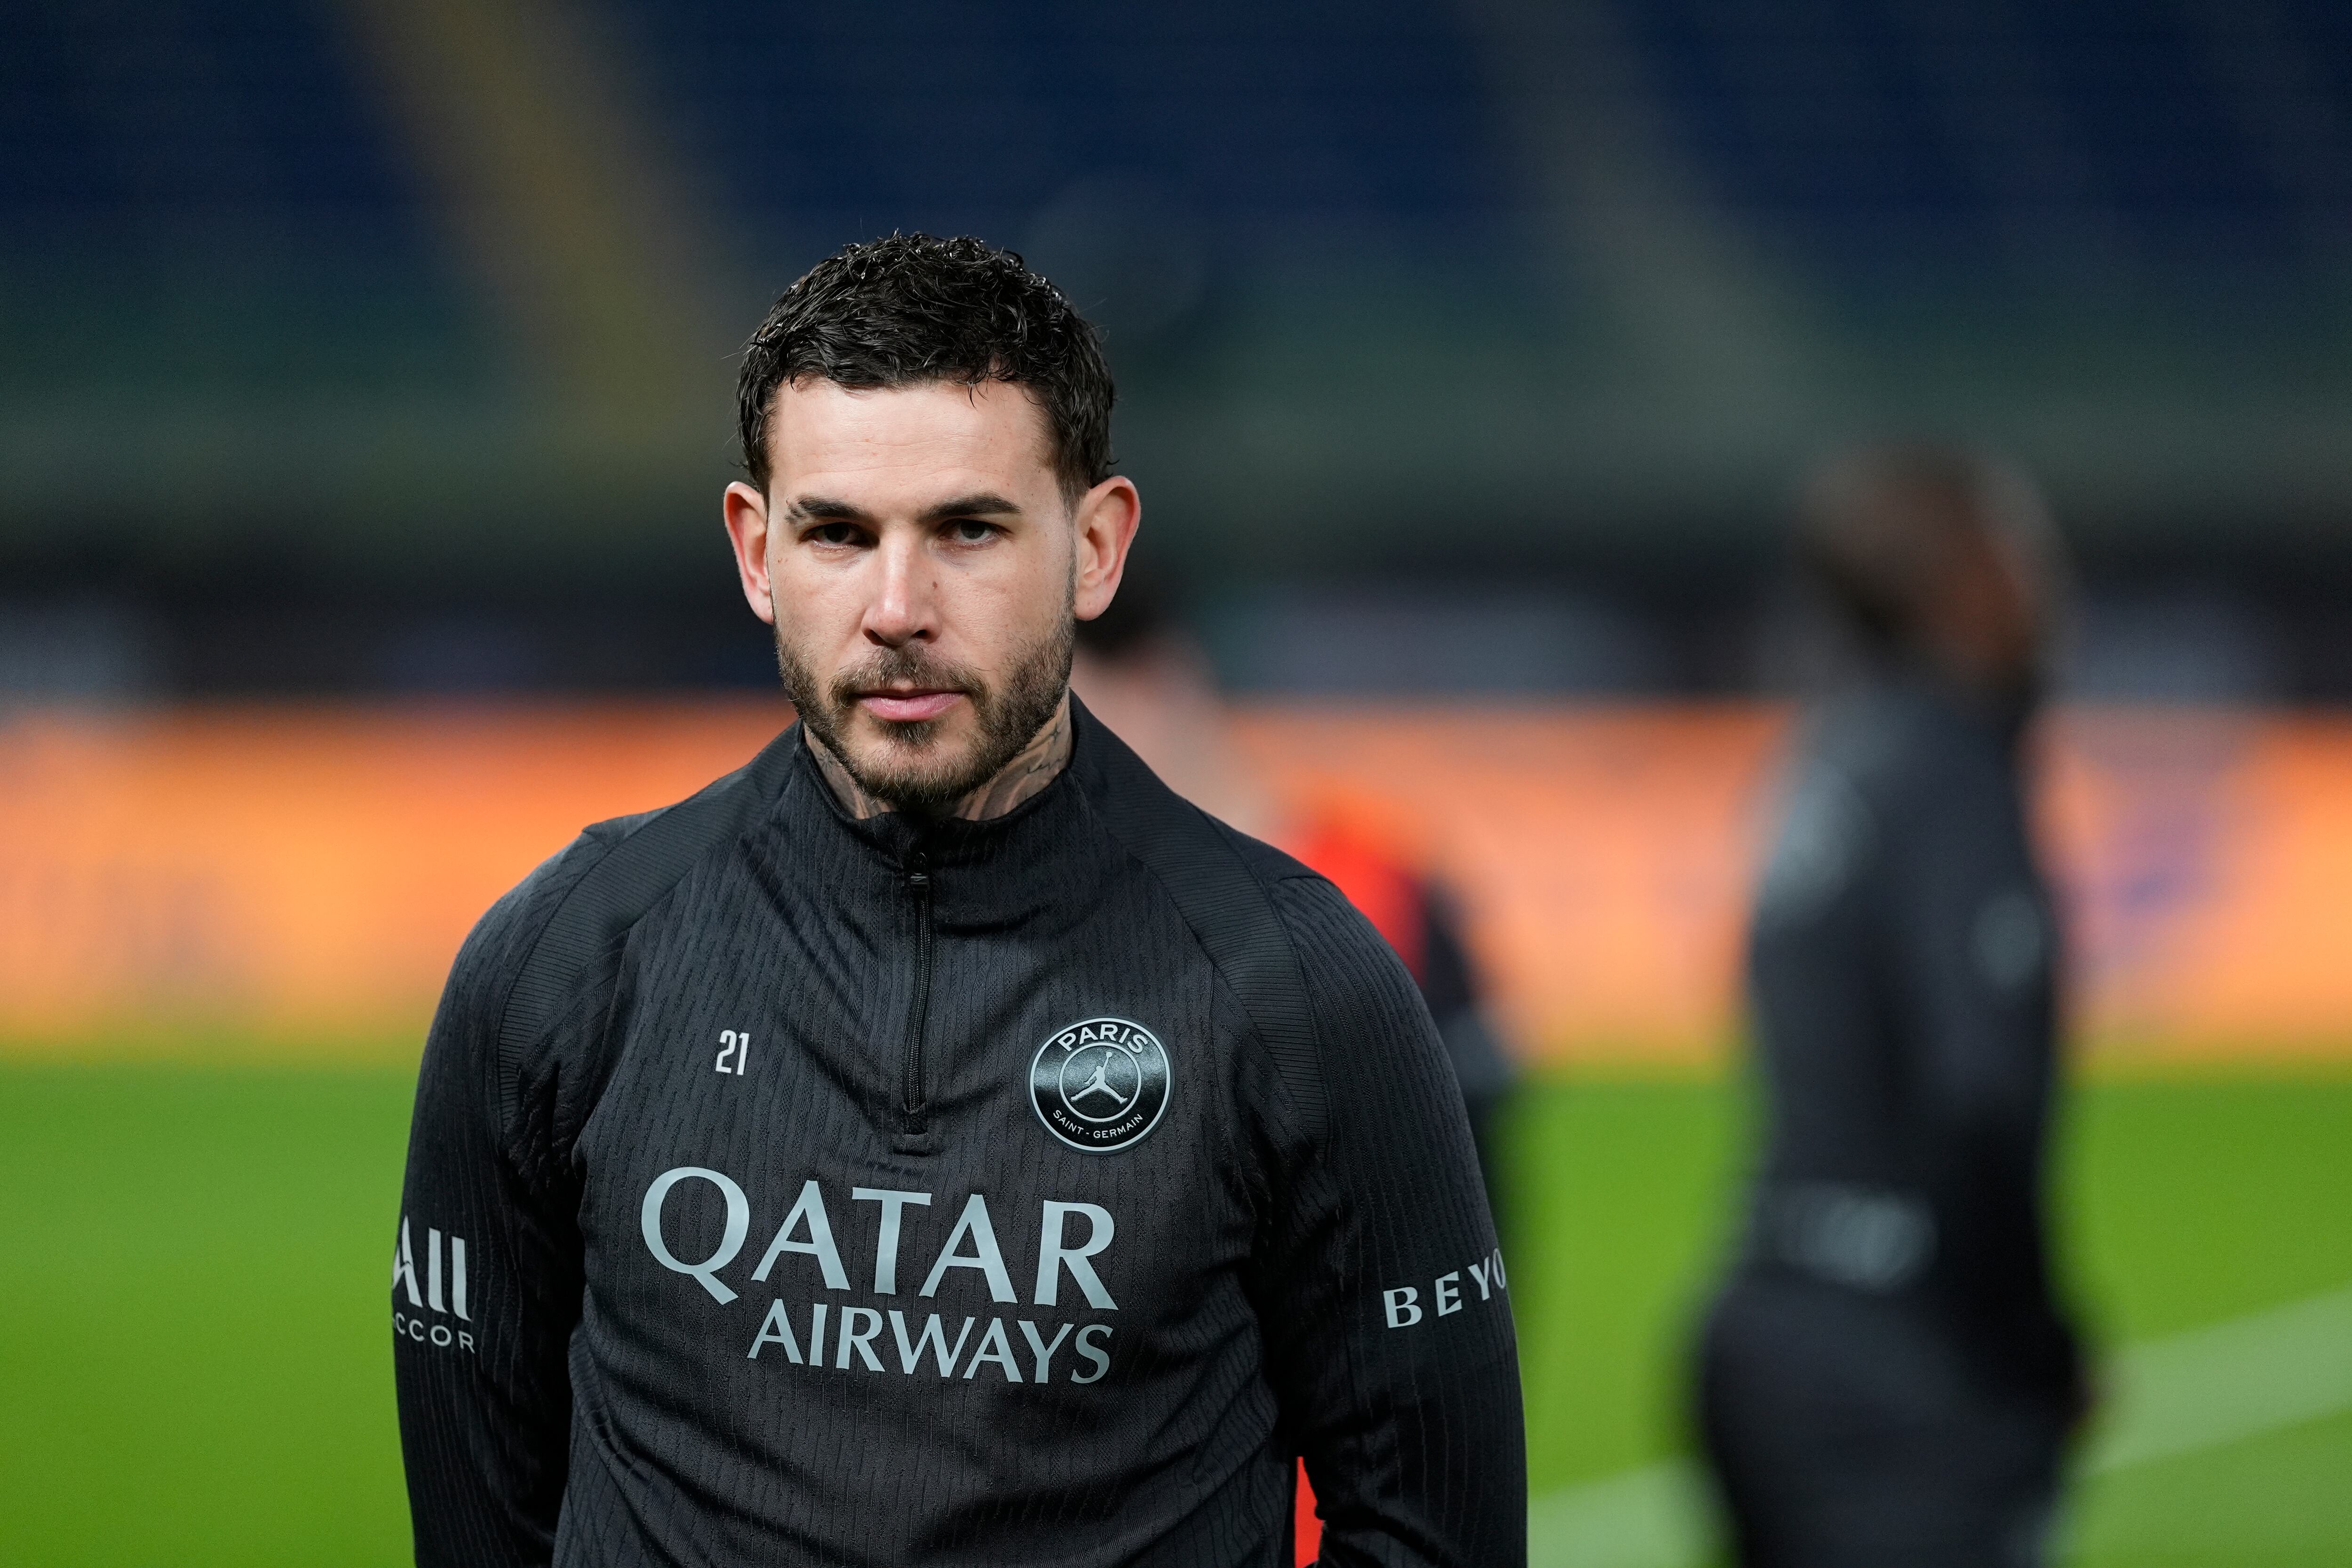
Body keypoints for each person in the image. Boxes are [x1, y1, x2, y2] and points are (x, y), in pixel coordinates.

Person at [391, 234, 1524, 1568]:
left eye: (969, 529)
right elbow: (482, 1522)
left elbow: (1434, 1531)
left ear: (1095, 548)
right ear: (757, 550)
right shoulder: (565, 962)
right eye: (836, 531)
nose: (896, 606)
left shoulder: (1298, 979)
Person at [1695, 446, 2089, 1568]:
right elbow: (1981, 1092)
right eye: (2020, 552)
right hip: (1902, 1353)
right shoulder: (1949, 766)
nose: (2045, 586)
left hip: (1773, 1311)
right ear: (1960, 581)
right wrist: (2034, 1337)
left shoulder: (1832, 756)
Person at [1070, 576, 1517, 1218]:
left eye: (1068, 714)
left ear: (1159, 682)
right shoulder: (1063, 912)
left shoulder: (1380, 892)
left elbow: (1473, 1205)